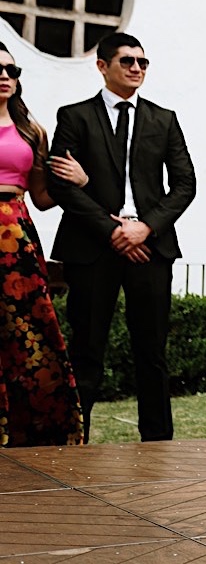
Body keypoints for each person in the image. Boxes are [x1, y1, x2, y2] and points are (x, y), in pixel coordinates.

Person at [49, 33, 196, 442]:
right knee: (87, 351)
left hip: (151, 247)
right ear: (102, 66)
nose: (137, 68)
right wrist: (114, 230)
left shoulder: (163, 119)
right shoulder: (74, 116)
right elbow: (61, 185)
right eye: (128, 61)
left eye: (143, 63)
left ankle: (158, 444)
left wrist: (144, 227)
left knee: (152, 353)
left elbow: (185, 184)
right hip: (93, 248)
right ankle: (74, 439)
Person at [0, 42, 88, 446]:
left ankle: (32, 427)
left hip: (16, 236)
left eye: (12, 70)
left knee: (26, 330)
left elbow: (41, 197)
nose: (5, 77)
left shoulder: (32, 131)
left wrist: (79, 182)